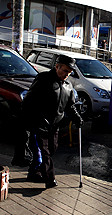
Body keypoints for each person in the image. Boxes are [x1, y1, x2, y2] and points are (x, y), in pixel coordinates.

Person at [21, 55, 83, 189]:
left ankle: (34, 172)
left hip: (55, 126)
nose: (67, 74)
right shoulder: (44, 79)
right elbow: (29, 100)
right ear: (57, 67)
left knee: (52, 149)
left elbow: (70, 106)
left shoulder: (68, 86)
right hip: (39, 123)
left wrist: (77, 117)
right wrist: (30, 118)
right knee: (45, 152)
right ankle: (50, 179)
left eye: (69, 72)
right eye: (65, 71)